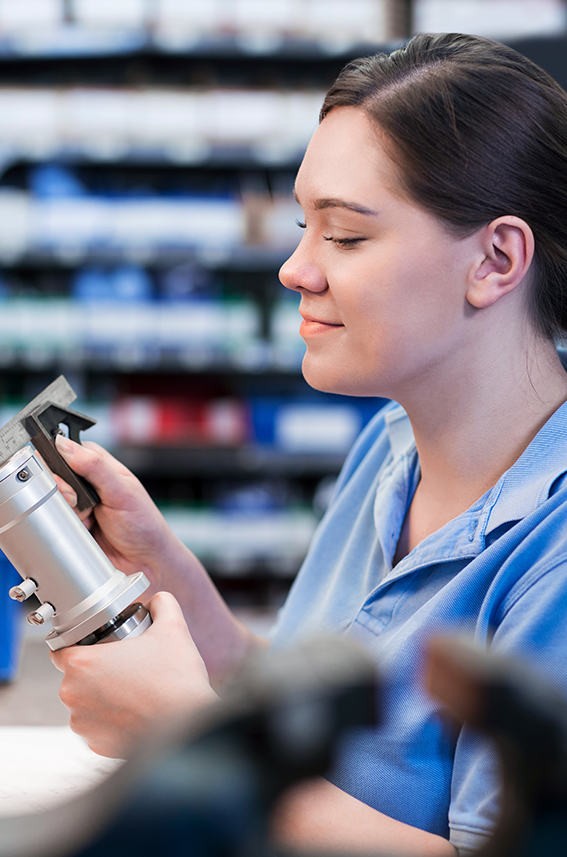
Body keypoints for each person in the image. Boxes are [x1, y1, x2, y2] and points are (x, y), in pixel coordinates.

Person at [50, 32, 567, 857]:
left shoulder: (553, 553)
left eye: (346, 235)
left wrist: (187, 727)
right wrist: (165, 573)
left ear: (495, 259)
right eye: (302, 225)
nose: (295, 268)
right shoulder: (390, 447)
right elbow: (305, 704)